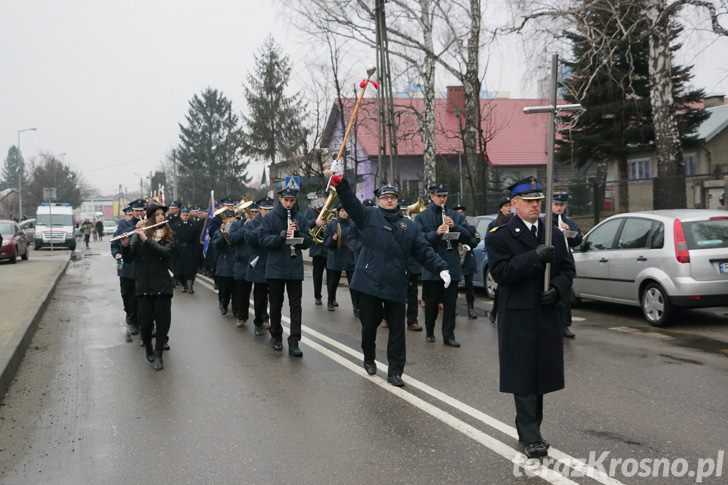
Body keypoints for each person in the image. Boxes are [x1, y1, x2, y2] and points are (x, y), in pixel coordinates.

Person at [330, 162, 450, 387]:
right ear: (379, 200)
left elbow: (423, 250)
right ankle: (368, 356)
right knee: (369, 325)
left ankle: (395, 371)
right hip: (369, 282)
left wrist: (441, 267)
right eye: (385, 197)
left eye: (393, 197)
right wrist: (339, 180)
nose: (389, 200)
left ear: (396, 200)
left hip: (396, 283)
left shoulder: (409, 225)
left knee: (397, 330)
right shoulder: (368, 216)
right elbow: (350, 202)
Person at [486, 176, 575, 459]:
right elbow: (501, 272)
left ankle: (533, 427)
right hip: (518, 314)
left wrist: (557, 290)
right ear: (513, 205)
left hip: (546, 312)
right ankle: (530, 435)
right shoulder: (499, 236)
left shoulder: (554, 234)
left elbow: (568, 271)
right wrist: (535, 257)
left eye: (538, 201)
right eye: (528, 202)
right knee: (523, 374)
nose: (535, 206)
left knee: (541, 374)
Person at [415, 184, 475, 347]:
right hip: (432, 267)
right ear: (432, 196)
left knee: (450, 304)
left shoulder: (455, 215)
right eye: (439, 196)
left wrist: (455, 227)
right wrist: (436, 233)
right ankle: (429, 331)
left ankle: (449, 335)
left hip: (451, 264)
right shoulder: (422, 217)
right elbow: (418, 241)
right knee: (432, 303)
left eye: (445, 196)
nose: (442, 199)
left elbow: (469, 238)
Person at [258, 181, 312, 357]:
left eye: (292, 200)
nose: (289, 203)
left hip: (294, 269)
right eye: (286, 200)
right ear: (280, 200)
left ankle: (294, 341)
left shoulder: (301, 219)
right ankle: (276, 336)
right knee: (275, 305)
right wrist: (280, 237)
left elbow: (308, 242)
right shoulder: (270, 218)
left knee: (296, 306)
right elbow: (263, 240)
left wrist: (298, 236)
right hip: (275, 269)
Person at [120, 203, 176, 371]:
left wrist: (146, 239)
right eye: (158, 214)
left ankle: (158, 353)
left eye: (162, 214)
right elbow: (129, 258)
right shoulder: (140, 235)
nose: (161, 217)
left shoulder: (169, 236)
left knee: (162, 322)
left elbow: (164, 253)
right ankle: (149, 349)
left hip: (162, 284)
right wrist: (124, 245)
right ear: (151, 217)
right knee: (144, 323)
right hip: (144, 285)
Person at [547, 192, 582, 338]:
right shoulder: (546, 221)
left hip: (565, 261)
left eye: (561, 205)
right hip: (550, 261)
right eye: (556, 204)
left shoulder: (570, 222)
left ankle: (565, 325)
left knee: (565, 296)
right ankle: (549, 324)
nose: (558, 208)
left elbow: (577, 240)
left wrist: (569, 232)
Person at [111, 202, 144, 336]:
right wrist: (117, 254)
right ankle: (131, 320)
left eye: (141, 211)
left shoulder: (148, 223)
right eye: (135, 211)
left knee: (143, 297)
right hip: (126, 267)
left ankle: (146, 323)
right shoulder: (124, 225)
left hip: (142, 267)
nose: (138, 214)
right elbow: (115, 244)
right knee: (128, 296)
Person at [323, 203, 358, 314]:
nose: (344, 213)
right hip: (335, 257)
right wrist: (333, 239)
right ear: (338, 212)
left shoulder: (353, 225)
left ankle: (356, 307)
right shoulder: (332, 225)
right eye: (342, 210)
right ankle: (330, 300)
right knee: (333, 282)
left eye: (346, 210)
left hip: (349, 257)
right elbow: (327, 244)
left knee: (353, 284)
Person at [245, 198, 273, 336]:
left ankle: (267, 318)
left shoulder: (275, 221)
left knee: (273, 294)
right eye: (265, 209)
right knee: (260, 295)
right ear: (260, 210)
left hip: (273, 261)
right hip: (259, 261)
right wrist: (263, 228)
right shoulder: (253, 223)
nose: (267, 212)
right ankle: (258, 321)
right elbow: (249, 238)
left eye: (270, 210)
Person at [227, 205, 253, 327]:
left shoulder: (259, 223)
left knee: (262, 293)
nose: (250, 214)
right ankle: (242, 317)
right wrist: (245, 228)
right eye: (248, 212)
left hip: (257, 262)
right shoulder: (237, 224)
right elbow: (231, 239)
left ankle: (263, 318)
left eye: (252, 211)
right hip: (242, 263)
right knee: (242, 293)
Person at [453, 204, 481, 319]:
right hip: (455, 258)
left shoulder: (471, 227)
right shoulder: (451, 226)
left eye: (462, 212)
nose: (460, 214)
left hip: (467, 258)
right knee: (453, 285)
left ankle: (471, 308)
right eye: (458, 212)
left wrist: (469, 243)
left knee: (469, 285)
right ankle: (453, 307)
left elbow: (476, 239)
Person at [399, 201, 423, 331]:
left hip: (411, 265)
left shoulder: (414, 225)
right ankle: (387, 317)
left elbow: (419, 244)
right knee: (394, 293)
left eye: (405, 211)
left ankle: (412, 321)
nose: (403, 213)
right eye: (401, 211)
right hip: (397, 265)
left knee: (412, 294)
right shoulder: (393, 224)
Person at [488, 196, 512, 323]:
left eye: (510, 205)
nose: (509, 208)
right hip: (499, 259)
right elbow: (489, 240)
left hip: (511, 259)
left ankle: (498, 312)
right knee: (500, 288)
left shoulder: (514, 221)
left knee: (503, 289)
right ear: (501, 208)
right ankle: (494, 312)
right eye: (506, 206)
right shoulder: (494, 223)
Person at [305, 190, 330, 306]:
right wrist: (315, 222)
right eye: (319, 197)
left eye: (324, 197)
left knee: (331, 275)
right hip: (317, 247)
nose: (322, 199)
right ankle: (317, 296)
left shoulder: (330, 211)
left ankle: (331, 298)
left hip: (329, 247)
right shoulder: (311, 211)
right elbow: (304, 225)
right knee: (317, 274)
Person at [212, 209, 237, 316]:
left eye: (231, 218)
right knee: (224, 290)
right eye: (228, 218)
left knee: (236, 290)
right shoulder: (219, 231)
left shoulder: (238, 229)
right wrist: (224, 234)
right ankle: (223, 303)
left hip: (236, 263)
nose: (230, 220)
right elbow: (216, 245)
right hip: (224, 265)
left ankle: (237, 311)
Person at [174, 207, 203, 294]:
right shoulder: (176, 225)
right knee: (181, 269)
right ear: (180, 215)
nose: (185, 217)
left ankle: (190, 286)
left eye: (187, 215)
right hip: (180, 250)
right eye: (183, 215)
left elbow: (197, 239)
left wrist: (197, 251)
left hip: (191, 250)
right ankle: (183, 285)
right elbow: (174, 238)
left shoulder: (194, 225)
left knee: (191, 269)